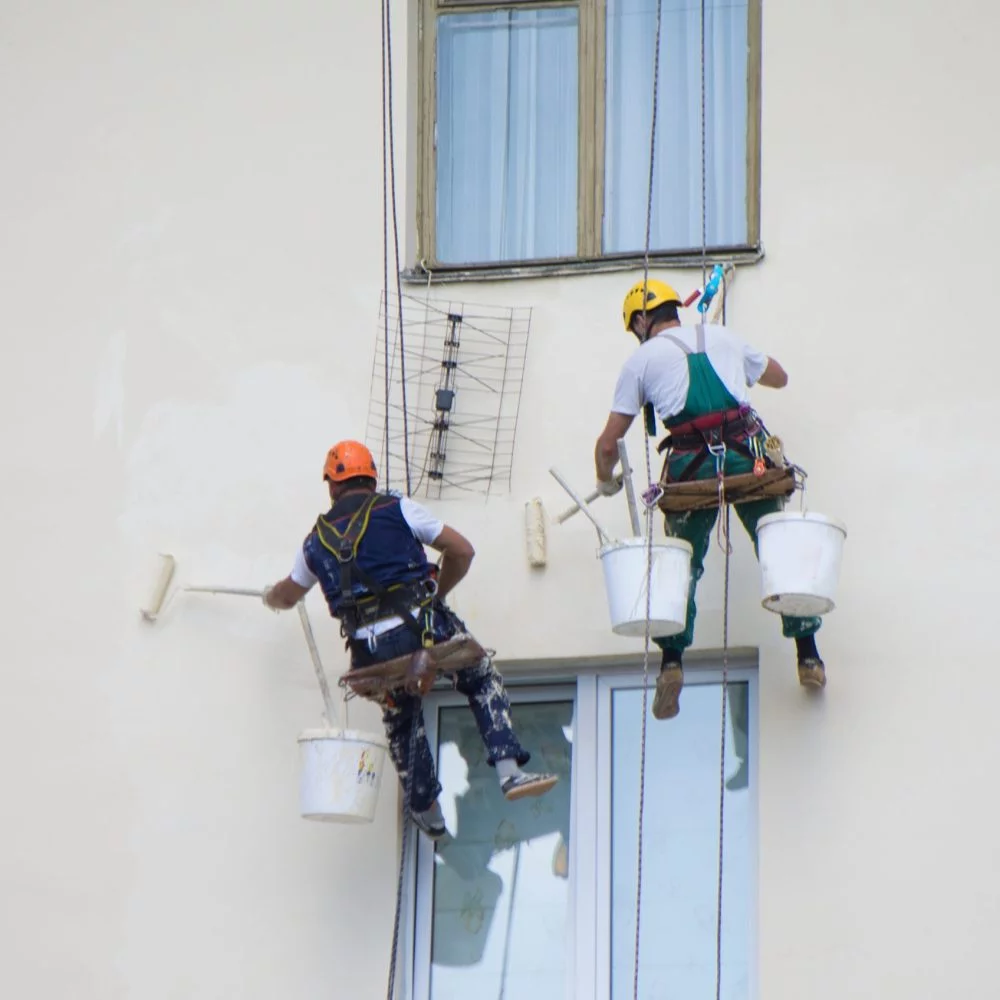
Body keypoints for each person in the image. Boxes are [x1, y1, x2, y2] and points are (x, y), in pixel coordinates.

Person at [263, 440, 558, 840]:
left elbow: (288, 594)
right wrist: (436, 595)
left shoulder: (314, 542)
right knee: (479, 675)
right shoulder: (397, 508)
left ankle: (427, 810)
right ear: (372, 479)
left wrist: (270, 597)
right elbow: (462, 551)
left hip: (370, 656)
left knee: (400, 713)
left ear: (332, 485)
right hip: (423, 633)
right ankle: (509, 771)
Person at [593, 279, 825, 721]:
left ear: (641, 321)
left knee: (681, 565)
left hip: (691, 468)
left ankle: (671, 663)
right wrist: (740, 360)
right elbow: (779, 377)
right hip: (747, 458)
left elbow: (608, 445)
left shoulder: (640, 361)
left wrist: (605, 480)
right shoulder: (724, 337)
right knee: (777, 549)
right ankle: (808, 654)